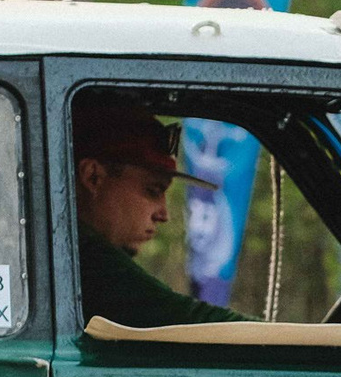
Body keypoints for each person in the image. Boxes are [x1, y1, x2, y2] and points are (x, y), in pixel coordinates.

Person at [74, 100, 247, 330]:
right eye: (153, 191)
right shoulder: (84, 260)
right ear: (93, 176)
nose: (164, 215)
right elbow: (185, 321)